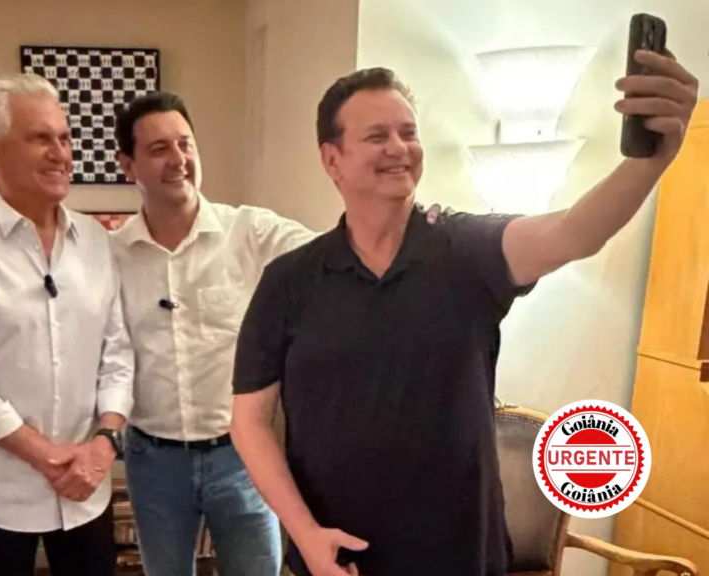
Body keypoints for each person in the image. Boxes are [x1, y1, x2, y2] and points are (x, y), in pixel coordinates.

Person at [230, 55, 699, 576]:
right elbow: (250, 421)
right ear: (332, 159)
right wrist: (304, 533)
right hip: (339, 560)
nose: (399, 147)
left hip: (460, 556)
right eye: (377, 136)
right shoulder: (289, 281)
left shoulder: (468, 250)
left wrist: (648, 161)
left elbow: (573, 233)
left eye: (409, 132)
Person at [109, 91, 443, 576]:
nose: (178, 159)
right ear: (128, 165)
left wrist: (415, 228)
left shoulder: (251, 231)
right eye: (159, 149)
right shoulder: (112, 255)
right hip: (154, 461)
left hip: (239, 458)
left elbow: (340, 255)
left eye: (185, 144)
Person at [0, 73, 134, 576]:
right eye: (40, 138)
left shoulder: (95, 239)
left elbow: (118, 353)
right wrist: (50, 457)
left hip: (87, 491)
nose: (60, 154)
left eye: (64, 138)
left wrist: (104, 443)